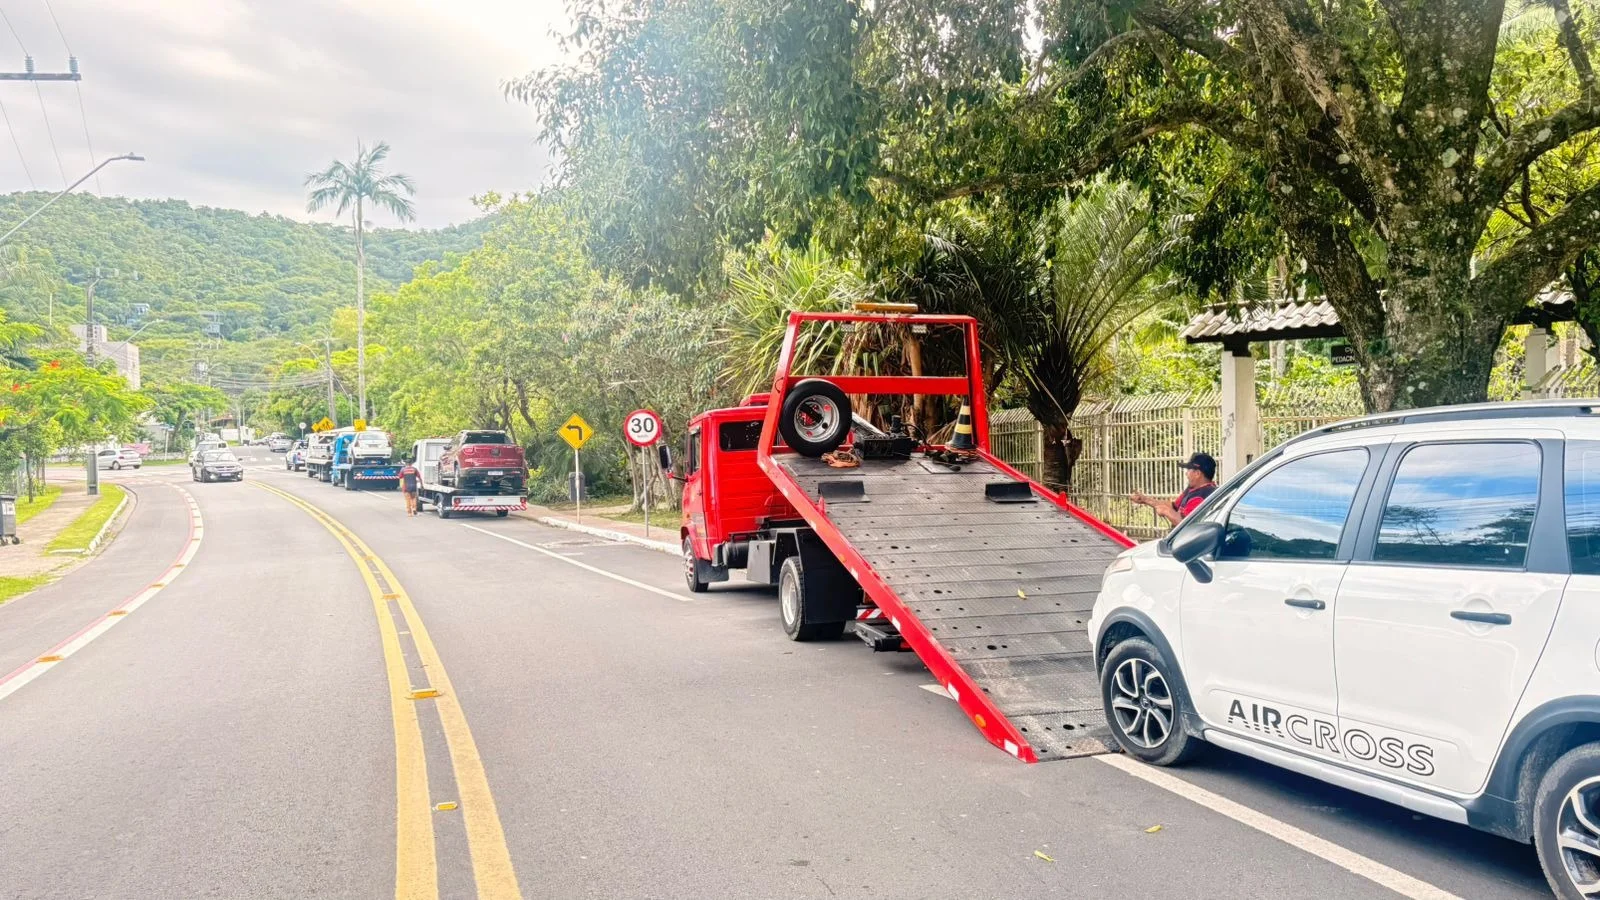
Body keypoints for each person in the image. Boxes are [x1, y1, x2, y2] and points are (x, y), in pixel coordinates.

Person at [1130, 452, 1217, 528]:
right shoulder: (1193, 489)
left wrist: (1166, 511)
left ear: (1197, 473)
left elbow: (1186, 524)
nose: (1186, 474)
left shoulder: (1203, 496)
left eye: (1188, 470)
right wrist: (1145, 500)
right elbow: (1174, 507)